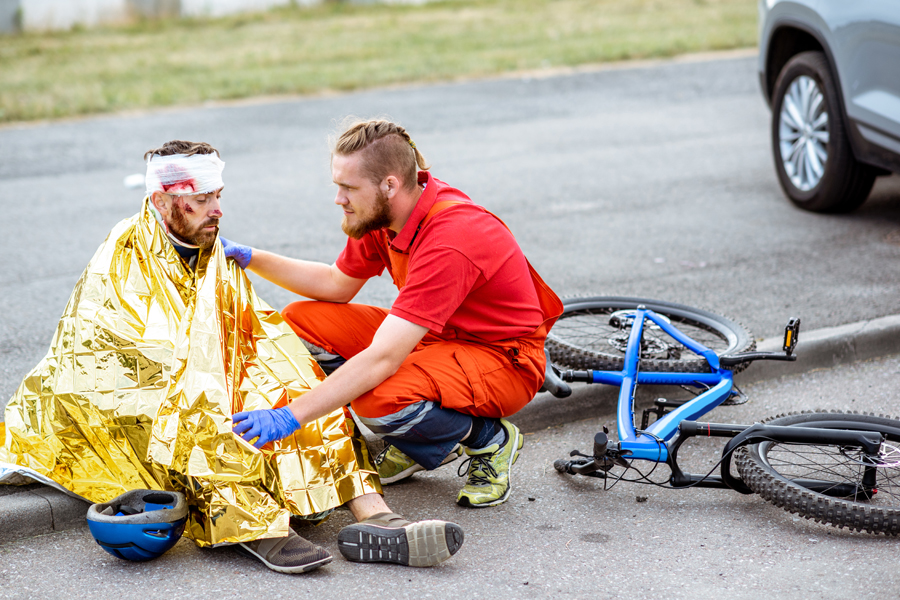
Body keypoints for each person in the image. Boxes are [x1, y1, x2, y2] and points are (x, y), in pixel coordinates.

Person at [0, 140, 463, 576]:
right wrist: (221, 385)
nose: (216, 210)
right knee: (205, 419)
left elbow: (252, 329)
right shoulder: (123, 254)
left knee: (306, 392)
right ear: (162, 202)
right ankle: (255, 528)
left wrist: (286, 392)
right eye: (199, 200)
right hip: (118, 395)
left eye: (217, 196)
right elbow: (126, 354)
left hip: (208, 374)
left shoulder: (210, 249)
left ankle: (377, 517)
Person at [226, 119, 563, 514]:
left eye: (349, 188)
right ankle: (414, 440)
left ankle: (489, 439)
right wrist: (251, 257)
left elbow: (384, 358)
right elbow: (337, 284)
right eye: (338, 185)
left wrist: (290, 416)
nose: (339, 198)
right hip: (439, 338)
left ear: (389, 184)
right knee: (301, 321)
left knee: (378, 397)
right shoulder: (384, 216)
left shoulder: (452, 238)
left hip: (501, 359)